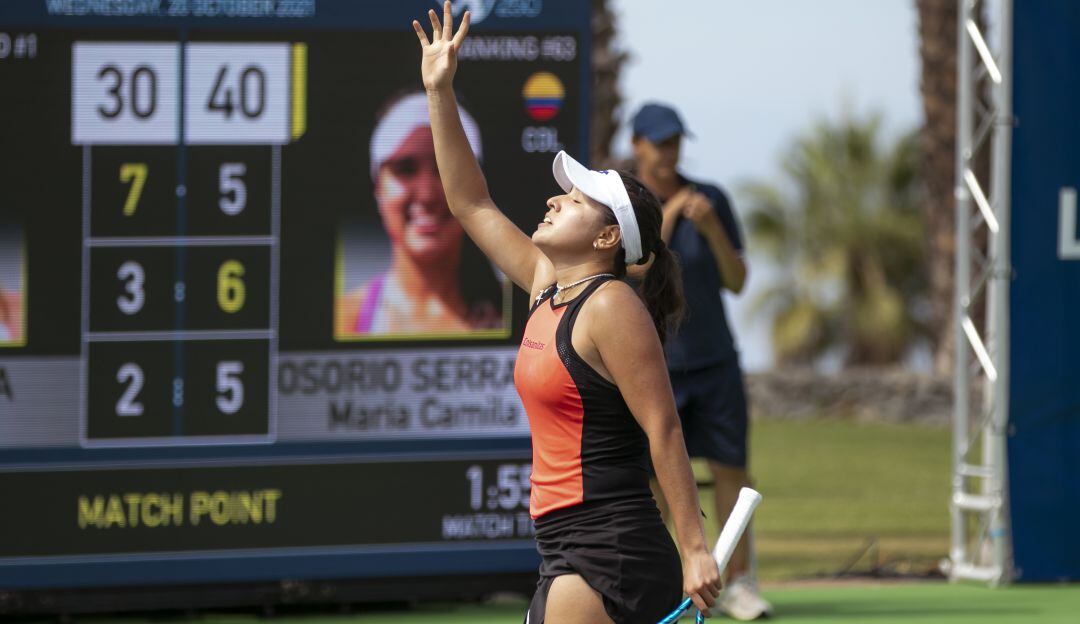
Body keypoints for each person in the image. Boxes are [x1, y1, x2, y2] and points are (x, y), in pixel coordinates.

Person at [412, 4, 721, 622]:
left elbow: (664, 429)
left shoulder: (611, 306)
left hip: (612, 546)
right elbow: (469, 201)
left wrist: (694, 548)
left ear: (608, 239)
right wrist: (439, 91)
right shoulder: (546, 286)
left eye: (576, 200)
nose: (555, 199)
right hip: (563, 543)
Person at [628, 102, 773, 620]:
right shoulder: (627, 202)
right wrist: (667, 217)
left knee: (732, 467)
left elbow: (737, 281)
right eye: (660, 143)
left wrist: (711, 228)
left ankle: (740, 584)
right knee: (655, 480)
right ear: (637, 144)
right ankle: (664, 584)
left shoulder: (712, 199)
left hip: (714, 361)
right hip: (651, 365)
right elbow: (634, 271)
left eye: (675, 142)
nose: (669, 153)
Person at [335, 91, 503, 338]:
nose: (427, 195)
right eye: (405, 169)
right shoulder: (347, 317)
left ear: (477, 184)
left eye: (445, 169)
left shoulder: (521, 313)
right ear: (377, 186)